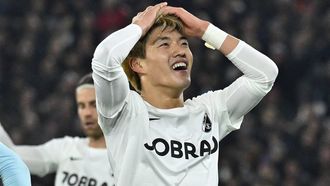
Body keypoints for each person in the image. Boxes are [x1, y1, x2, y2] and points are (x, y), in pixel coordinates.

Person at [92, 2, 278, 186]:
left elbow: (265, 75)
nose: (180, 51)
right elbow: (104, 59)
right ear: (138, 64)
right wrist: (138, 27)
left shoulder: (209, 111)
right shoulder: (124, 111)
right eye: (164, 44)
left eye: (184, 43)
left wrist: (204, 30)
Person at [0, 73, 114, 186]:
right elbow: (12, 156)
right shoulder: (67, 147)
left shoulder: (125, 161)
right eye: (82, 106)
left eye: (94, 105)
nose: (87, 113)